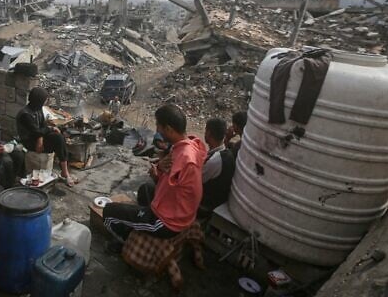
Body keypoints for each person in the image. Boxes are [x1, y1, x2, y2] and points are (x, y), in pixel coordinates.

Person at [102, 104, 207, 252]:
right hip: (178, 207)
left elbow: (170, 175)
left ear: (169, 129)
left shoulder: (184, 158)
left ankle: (125, 243)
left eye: (158, 126)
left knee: (109, 212)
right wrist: (158, 172)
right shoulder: (189, 146)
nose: (157, 130)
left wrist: (158, 169)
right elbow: (174, 183)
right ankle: (138, 224)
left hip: (168, 222)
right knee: (145, 188)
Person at [16, 87, 77, 186]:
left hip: (37, 137)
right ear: (38, 100)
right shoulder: (25, 114)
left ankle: (64, 171)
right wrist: (50, 129)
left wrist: (41, 137)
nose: (45, 102)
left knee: (59, 135)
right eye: (44, 99)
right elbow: (36, 131)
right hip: (29, 142)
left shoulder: (37, 108)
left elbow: (42, 125)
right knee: (58, 138)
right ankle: (65, 173)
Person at [200, 118, 236, 216]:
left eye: (206, 130)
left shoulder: (215, 160)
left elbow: (196, 181)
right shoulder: (226, 152)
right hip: (219, 200)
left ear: (209, 133)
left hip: (206, 206)